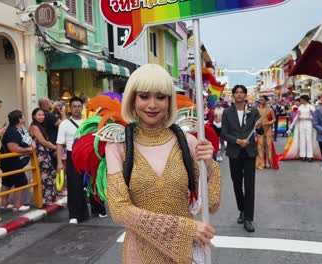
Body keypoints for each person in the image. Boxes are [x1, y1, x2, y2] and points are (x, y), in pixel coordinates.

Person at [106, 64, 221, 263]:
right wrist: (186, 228)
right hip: (139, 254)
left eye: (160, 97)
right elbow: (119, 210)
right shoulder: (118, 146)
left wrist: (209, 167)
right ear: (133, 99)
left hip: (184, 254)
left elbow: (211, 205)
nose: (152, 105)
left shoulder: (189, 142)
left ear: (169, 101)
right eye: (144, 96)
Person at [57, 97, 107, 224]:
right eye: (74, 106)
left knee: (94, 182)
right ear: (70, 108)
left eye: (79, 106)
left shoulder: (88, 122)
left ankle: (99, 209)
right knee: (74, 185)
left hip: (89, 156)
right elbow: (59, 144)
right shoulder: (64, 124)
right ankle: (75, 214)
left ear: (82, 107)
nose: (77, 109)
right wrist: (59, 163)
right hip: (72, 156)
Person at [221, 85, 263, 232]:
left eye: (242, 93)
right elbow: (224, 133)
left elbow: (260, 131)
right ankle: (242, 209)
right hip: (235, 152)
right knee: (237, 184)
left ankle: (248, 219)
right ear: (233, 95)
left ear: (245, 95)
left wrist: (259, 126)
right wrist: (237, 141)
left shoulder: (253, 111)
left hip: (250, 152)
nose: (239, 95)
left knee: (250, 186)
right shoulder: (227, 112)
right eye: (236, 93)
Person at [0, 110, 35, 212]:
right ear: (19, 119)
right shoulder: (12, 131)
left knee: (7, 181)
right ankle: (17, 205)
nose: (24, 117)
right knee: (20, 181)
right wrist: (27, 150)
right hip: (12, 161)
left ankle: (4, 203)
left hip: (15, 161)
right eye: (23, 116)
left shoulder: (20, 129)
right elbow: (13, 148)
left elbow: (28, 138)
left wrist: (31, 144)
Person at [29, 108, 57, 205]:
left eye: (42, 115)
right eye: (39, 115)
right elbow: (42, 141)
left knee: (49, 175)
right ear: (34, 116)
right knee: (45, 177)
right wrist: (55, 147)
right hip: (41, 154)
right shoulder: (34, 127)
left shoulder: (40, 126)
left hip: (45, 153)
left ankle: (49, 198)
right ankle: (45, 200)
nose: (41, 117)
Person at [256, 95, 276, 170]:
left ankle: (268, 161)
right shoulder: (258, 110)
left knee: (268, 145)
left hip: (268, 128)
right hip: (260, 129)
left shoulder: (270, 110)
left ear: (266, 101)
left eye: (262, 100)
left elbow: (274, 119)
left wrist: (269, 123)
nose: (261, 101)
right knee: (260, 145)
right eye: (260, 100)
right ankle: (262, 162)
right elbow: (256, 120)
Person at [295, 95, 315, 162]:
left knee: (309, 139)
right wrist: (298, 117)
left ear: (304, 99)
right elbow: (298, 115)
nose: (300, 101)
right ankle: (302, 155)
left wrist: (306, 117)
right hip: (301, 123)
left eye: (301, 99)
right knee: (302, 139)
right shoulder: (300, 107)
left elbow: (314, 117)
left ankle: (310, 156)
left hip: (308, 123)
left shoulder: (311, 107)